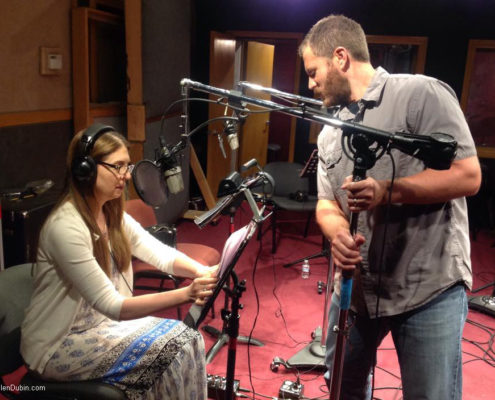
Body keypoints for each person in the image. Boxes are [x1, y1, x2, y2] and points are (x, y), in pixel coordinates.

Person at [299, 15, 481, 400]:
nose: (310, 83)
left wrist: (387, 190)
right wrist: (337, 234)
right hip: (356, 290)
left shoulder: (421, 94)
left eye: (314, 71)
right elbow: (327, 203)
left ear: (341, 57)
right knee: (342, 390)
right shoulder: (331, 130)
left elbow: (468, 176)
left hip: (428, 288)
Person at [20, 125, 218, 400]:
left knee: (187, 339)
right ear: (85, 170)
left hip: (101, 327)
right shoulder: (65, 226)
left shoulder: (112, 215)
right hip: (57, 345)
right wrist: (187, 293)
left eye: (127, 166)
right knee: (175, 346)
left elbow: (160, 254)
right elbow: (113, 306)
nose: (125, 176)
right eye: (117, 166)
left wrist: (201, 271)